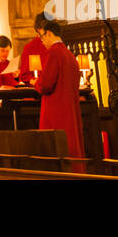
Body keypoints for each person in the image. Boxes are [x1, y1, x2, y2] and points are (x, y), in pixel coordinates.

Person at [32, 15, 85, 163]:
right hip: (70, 112)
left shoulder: (54, 52)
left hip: (56, 113)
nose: (42, 41)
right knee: (72, 151)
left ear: (48, 33)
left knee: (57, 153)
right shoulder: (69, 55)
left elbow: (46, 84)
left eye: (41, 37)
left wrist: (35, 82)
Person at [18, 13, 49, 85]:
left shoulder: (56, 46)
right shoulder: (30, 48)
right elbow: (24, 76)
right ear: (38, 30)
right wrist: (34, 81)